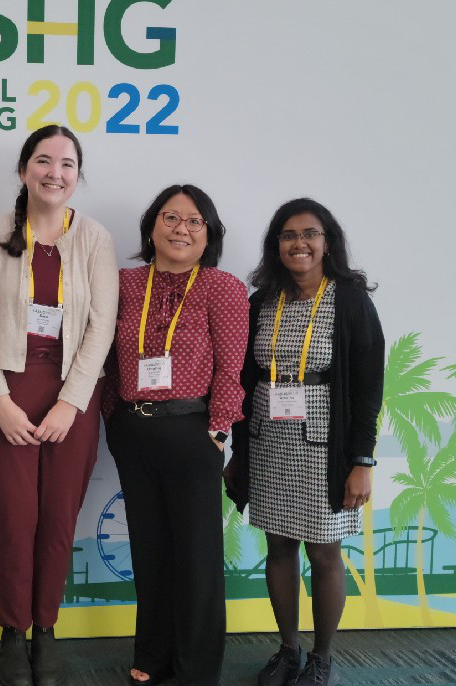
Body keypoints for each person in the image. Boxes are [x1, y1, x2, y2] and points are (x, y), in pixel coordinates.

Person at [0, 125, 118, 686]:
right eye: (43, 160)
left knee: (57, 518)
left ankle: (46, 628)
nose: (55, 172)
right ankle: (12, 629)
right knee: (12, 517)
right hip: (8, 390)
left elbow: (102, 326)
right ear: (24, 169)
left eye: (67, 164)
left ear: (78, 176)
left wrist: (70, 404)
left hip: (72, 398)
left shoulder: (95, 238)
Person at [224, 197, 384, 686]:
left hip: (324, 444)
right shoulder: (261, 301)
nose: (299, 243)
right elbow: (244, 378)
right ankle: (288, 650)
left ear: (327, 242)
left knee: (324, 552)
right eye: (288, 235)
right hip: (268, 439)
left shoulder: (350, 299)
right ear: (277, 245)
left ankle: (322, 657)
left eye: (309, 234)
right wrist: (238, 452)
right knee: (278, 547)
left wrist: (361, 460)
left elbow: (367, 387)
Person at [103, 184, 249, 686]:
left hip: (192, 432)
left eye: (194, 221)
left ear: (209, 235)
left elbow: (233, 369)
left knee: (196, 557)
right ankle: (153, 653)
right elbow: (102, 355)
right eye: (170, 217)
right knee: (149, 551)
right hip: (132, 430)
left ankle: (196, 669)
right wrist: (112, 417)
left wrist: (217, 430)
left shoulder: (221, 287)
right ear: (151, 227)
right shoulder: (122, 283)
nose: (180, 229)